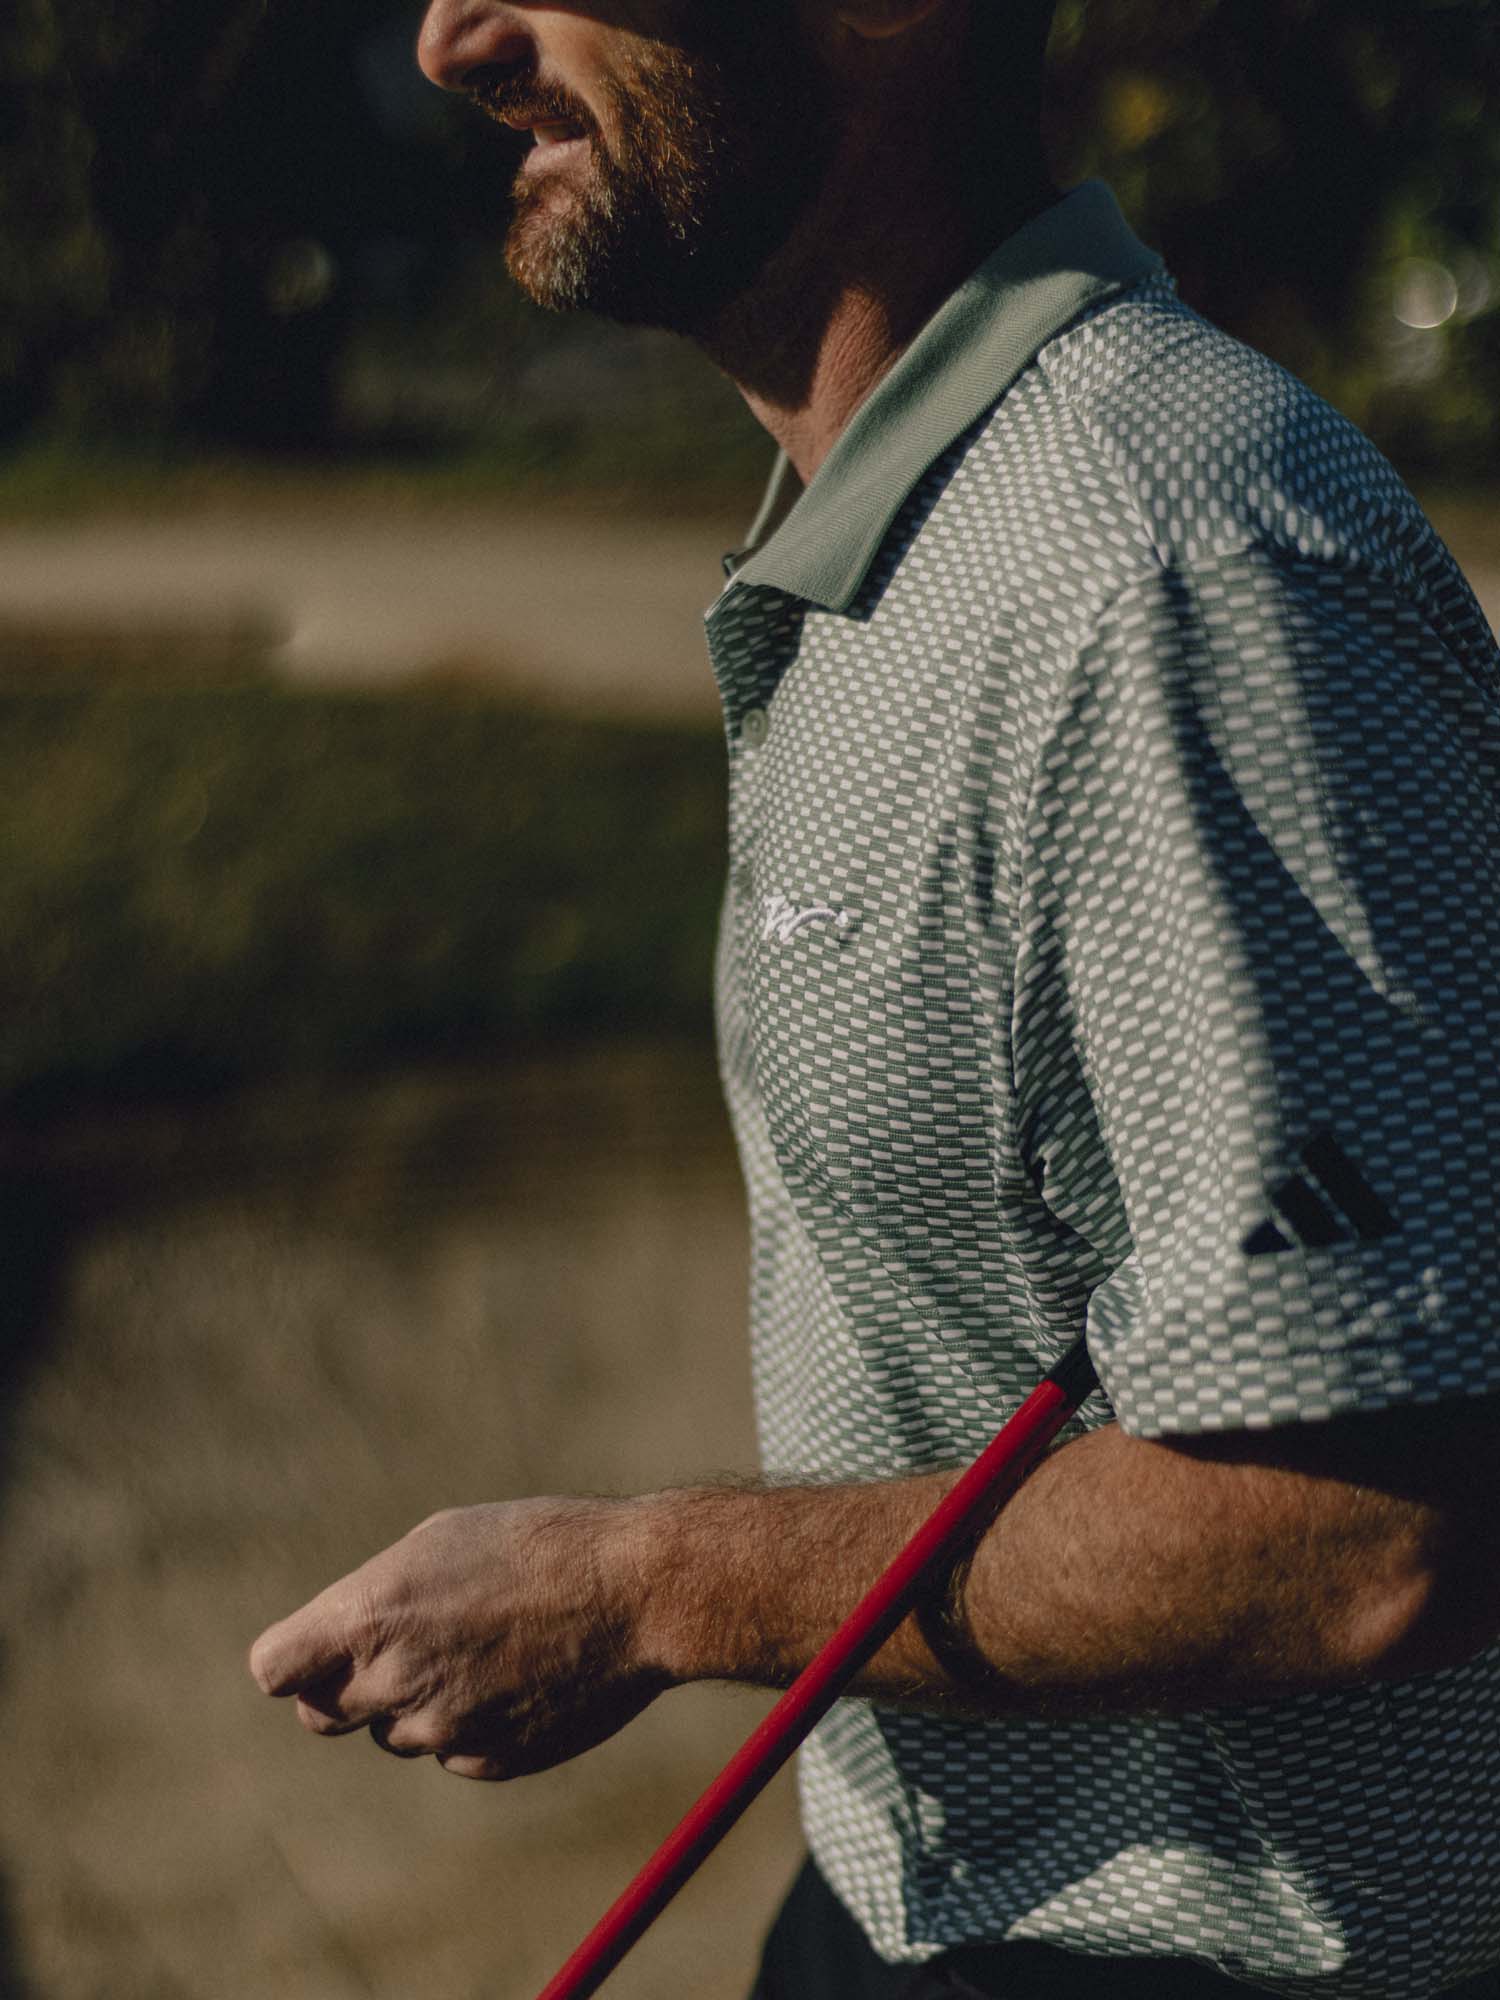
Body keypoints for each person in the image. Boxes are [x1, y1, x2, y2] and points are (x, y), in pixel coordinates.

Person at [249, 4, 1500, 1995]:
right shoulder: (910, 536)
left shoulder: (1155, 562)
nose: (452, 38)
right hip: (915, 1892)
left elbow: (1368, 1530)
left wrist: (644, 1585)